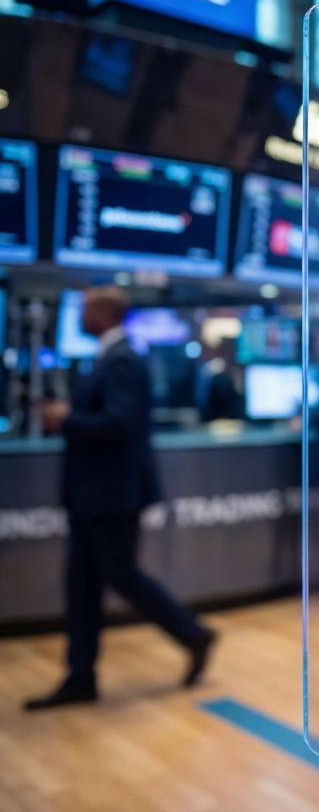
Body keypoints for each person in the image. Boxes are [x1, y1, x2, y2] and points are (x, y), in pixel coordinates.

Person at [25, 286, 216, 711]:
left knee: (122, 576)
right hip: (93, 493)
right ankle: (80, 676)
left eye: (86, 307)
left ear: (106, 311)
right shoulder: (111, 356)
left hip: (111, 493)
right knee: (82, 587)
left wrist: (65, 419)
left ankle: (192, 634)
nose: (80, 314)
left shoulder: (124, 359)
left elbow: (119, 423)